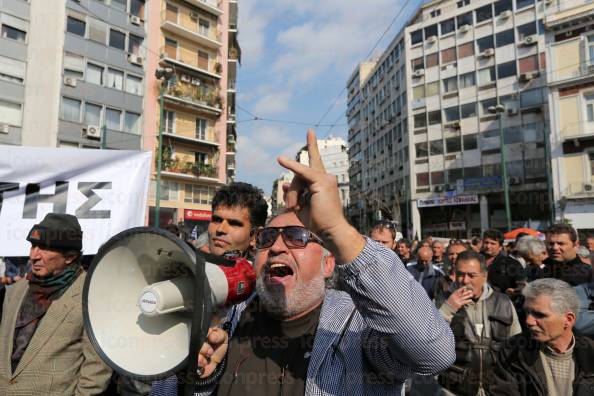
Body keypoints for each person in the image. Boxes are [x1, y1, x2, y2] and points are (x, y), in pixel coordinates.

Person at [151, 130, 456, 395]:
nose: (277, 246)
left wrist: (335, 229)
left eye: (297, 236)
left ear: (328, 264)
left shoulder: (359, 329)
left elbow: (432, 352)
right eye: (268, 237)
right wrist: (203, 381)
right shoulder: (224, 318)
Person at [0, 213, 111, 395]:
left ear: (69, 257)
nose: (33, 255)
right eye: (33, 245)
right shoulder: (15, 291)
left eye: (44, 248)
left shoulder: (91, 296)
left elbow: (96, 370)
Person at [489, 279, 594, 395]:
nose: (529, 321)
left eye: (539, 315)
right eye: (527, 312)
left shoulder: (590, 353)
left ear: (568, 320)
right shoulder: (512, 351)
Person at [438, 250, 521, 395]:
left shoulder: (503, 302)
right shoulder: (441, 301)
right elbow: (427, 342)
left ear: (484, 275)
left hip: (497, 389)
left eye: (471, 275)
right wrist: (448, 309)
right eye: (460, 274)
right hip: (453, 388)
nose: (464, 281)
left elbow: (517, 345)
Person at [205, 182, 269, 260]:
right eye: (217, 220)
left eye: (234, 224)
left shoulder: (260, 271)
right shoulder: (190, 268)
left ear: (256, 236)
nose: (220, 229)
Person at [482, 229, 526, 295]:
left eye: (492, 243)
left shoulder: (512, 264)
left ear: (500, 247)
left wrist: (514, 291)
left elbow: (522, 284)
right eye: (486, 242)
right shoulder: (474, 260)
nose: (488, 246)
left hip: (502, 302)